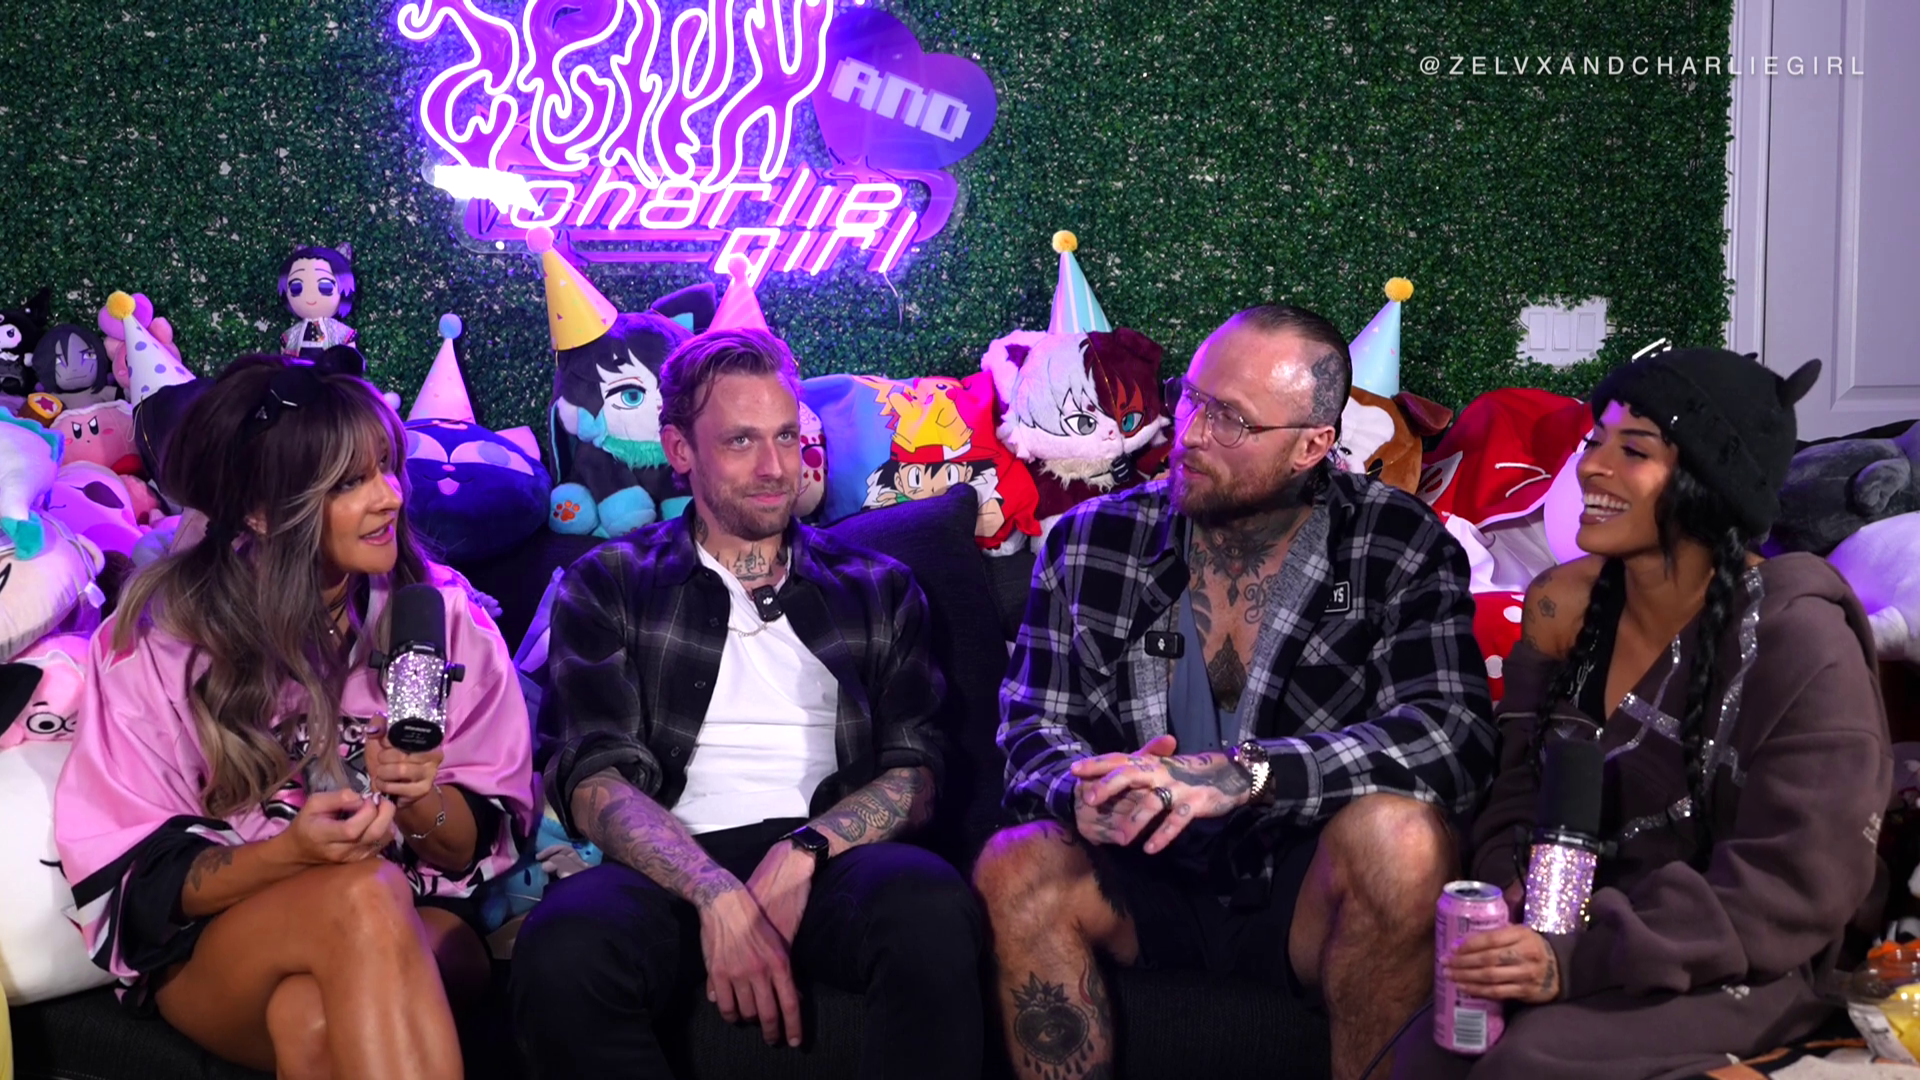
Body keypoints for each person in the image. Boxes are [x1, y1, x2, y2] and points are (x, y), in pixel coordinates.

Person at [975, 304, 1497, 1080]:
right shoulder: (1089, 541)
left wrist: (1243, 775)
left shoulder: (1395, 541)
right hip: (1142, 876)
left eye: (1232, 419)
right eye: (1191, 398)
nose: (1190, 433)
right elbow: (1031, 727)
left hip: (1303, 882)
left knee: (1404, 837)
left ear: (1312, 445)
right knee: (1015, 859)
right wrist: (1080, 793)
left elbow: (1451, 733)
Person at [1390, 348, 1891, 1079]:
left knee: (1531, 1061)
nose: (1591, 467)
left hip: (1742, 955)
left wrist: (1575, 958)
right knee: (1436, 1045)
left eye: (1634, 450)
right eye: (1596, 442)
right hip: (1576, 933)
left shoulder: (1801, 641)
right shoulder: (1568, 609)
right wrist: (1511, 905)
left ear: (1710, 482)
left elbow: (1793, 884)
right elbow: (1516, 793)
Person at [511, 328, 985, 1079]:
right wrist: (714, 894)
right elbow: (592, 778)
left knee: (928, 905)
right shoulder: (608, 582)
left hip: (829, 858)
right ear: (679, 449)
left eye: (786, 437)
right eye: (741, 441)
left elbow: (916, 774)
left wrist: (804, 852)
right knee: (563, 947)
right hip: (664, 865)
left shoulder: (878, 586)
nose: (775, 469)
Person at [55, 355, 536, 1080]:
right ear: (261, 510)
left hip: (412, 911)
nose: (390, 498)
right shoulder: (163, 638)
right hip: (223, 933)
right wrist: (294, 853)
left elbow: (466, 848)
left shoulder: (440, 619)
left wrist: (416, 796)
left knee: (314, 1012)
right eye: (348, 483)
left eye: (386, 467)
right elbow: (144, 884)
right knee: (362, 897)